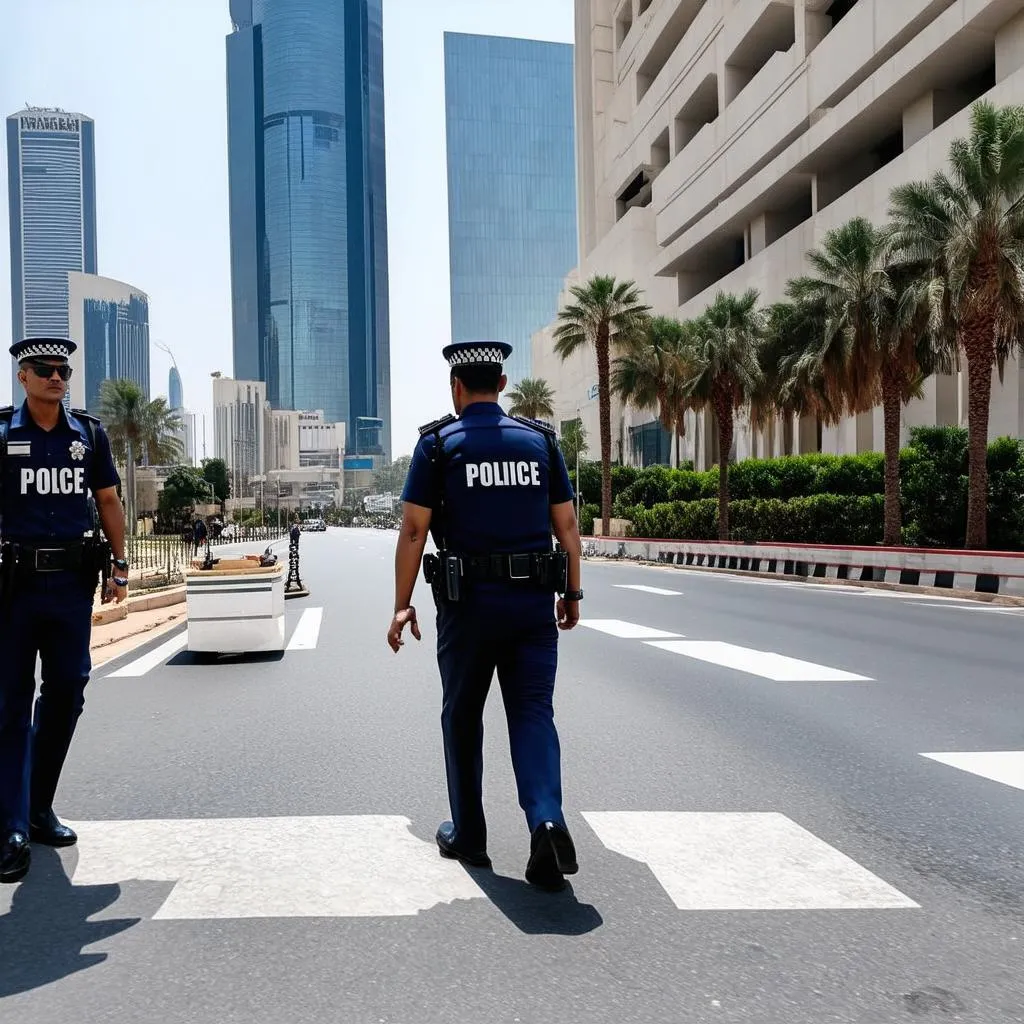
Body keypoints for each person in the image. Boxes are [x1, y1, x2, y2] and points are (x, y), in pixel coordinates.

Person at [387, 340, 584, 892]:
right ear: (502, 386)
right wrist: (573, 593)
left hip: (466, 608)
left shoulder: (438, 445)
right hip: (531, 608)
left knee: (462, 716)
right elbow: (567, 529)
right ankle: (546, 818)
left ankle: (469, 834)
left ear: (456, 389)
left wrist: (402, 605)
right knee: (532, 714)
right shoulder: (540, 442)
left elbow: (412, 531)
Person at [0, 338, 128, 884]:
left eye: (63, 369)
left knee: (68, 692)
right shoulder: (3, 434)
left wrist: (120, 565)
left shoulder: (89, 435)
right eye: (45, 370)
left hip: (71, 585)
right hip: (13, 588)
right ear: (23, 377)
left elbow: (108, 501)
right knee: (10, 703)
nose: (57, 377)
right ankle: (10, 827)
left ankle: (37, 806)